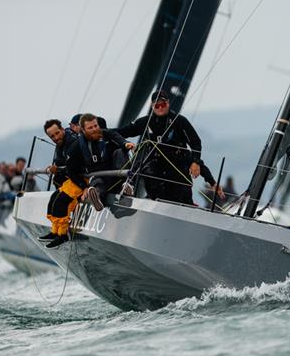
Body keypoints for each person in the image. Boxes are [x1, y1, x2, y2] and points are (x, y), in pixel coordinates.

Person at [41, 113, 133, 248]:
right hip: (95, 176)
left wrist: (126, 144)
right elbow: (72, 170)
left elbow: (117, 136)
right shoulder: (76, 146)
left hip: (110, 174)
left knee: (119, 153)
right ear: (83, 130)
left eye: (96, 126)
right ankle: (95, 200)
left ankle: (126, 186)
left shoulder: (103, 134)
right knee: (94, 189)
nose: (95, 129)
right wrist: (83, 186)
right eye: (90, 128)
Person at [116, 90, 203, 205]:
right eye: (157, 105)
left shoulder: (180, 121)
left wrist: (195, 162)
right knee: (153, 187)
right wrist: (102, 133)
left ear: (168, 103)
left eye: (163, 104)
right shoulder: (145, 122)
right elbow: (123, 132)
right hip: (156, 168)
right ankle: (135, 190)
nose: (160, 107)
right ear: (152, 106)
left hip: (178, 167)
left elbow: (196, 142)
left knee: (184, 199)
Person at [37, 119, 79, 244]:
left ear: (62, 129)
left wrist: (58, 169)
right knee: (53, 201)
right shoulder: (60, 143)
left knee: (61, 202)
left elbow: (74, 166)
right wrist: (54, 168)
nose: (55, 137)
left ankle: (63, 234)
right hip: (71, 179)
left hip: (80, 179)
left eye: (57, 133)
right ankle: (55, 232)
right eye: (52, 136)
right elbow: (59, 163)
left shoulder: (73, 141)